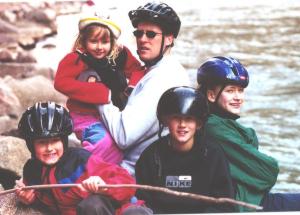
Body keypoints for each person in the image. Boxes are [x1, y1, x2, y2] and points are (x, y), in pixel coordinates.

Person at [97, 2, 191, 176]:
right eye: (139, 33)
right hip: (139, 167)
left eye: (151, 34)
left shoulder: (163, 77)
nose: (142, 39)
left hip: (133, 174)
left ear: (169, 39)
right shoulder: (163, 70)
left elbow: (124, 135)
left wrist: (98, 94)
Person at [197, 56, 300, 212]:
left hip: (248, 200)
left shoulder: (220, 124)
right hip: (244, 205)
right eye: (230, 91)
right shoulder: (214, 128)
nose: (238, 97)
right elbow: (268, 172)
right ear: (211, 95)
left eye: (240, 90)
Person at [15, 101, 141, 215]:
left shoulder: (80, 160)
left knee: (92, 204)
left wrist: (104, 186)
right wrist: (28, 199)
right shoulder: (32, 170)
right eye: (42, 142)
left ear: (64, 141)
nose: (49, 148)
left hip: (121, 211)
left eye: (55, 140)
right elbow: (47, 202)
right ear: (31, 145)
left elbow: (127, 183)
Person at [54, 15, 144, 164]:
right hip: (84, 115)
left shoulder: (120, 55)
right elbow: (60, 82)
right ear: (83, 41)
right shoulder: (76, 59)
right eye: (93, 41)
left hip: (112, 113)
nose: (99, 47)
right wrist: (100, 92)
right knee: (102, 142)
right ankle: (77, 170)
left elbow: (139, 70)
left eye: (105, 42)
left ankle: (105, 173)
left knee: (120, 145)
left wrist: (130, 89)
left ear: (112, 42)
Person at [135, 86, 236, 214]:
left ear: (198, 123)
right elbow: (142, 202)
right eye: (176, 118)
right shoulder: (150, 156)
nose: (182, 125)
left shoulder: (213, 154)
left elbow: (225, 205)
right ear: (166, 121)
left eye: (189, 119)